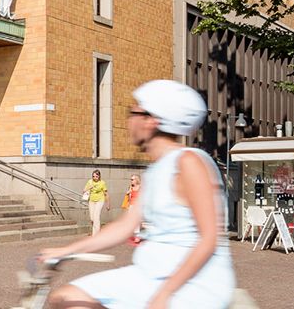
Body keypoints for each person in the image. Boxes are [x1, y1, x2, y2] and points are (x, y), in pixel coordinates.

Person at [39, 80, 235, 308]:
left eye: (133, 113)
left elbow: (209, 238)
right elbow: (125, 226)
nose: (129, 121)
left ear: (151, 121)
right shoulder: (156, 170)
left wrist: (165, 293)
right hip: (152, 275)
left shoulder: (189, 162)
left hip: (193, 284)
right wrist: (66, 251)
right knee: (64, 297)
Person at [83, 169, 109, 235]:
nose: (95, 178)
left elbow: (106, 193)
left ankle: (95, 235)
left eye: (96, 176)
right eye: (93, 176)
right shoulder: (90, 182)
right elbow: (84, 191)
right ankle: (96, 232)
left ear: (99, 176)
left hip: (100, 200)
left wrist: (108, 204)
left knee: (96, 217)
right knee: (92, 218)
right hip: (91, 201)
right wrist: (89, 187)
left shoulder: (102, 183)